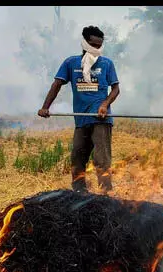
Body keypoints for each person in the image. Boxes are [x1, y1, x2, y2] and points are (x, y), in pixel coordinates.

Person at [38, 26, 120, 194]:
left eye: (99, 46)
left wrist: (104, 105)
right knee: (77, 159)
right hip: (81, 120)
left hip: (101, 119)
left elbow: (116, 89)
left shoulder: (107, 64)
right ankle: (79, 195)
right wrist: (45, 107)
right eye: (92, 45)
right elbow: (57, 85)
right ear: (84, 44)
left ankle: (105, 195)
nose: (96, 49)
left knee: (101, 160)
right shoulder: (70, 63)